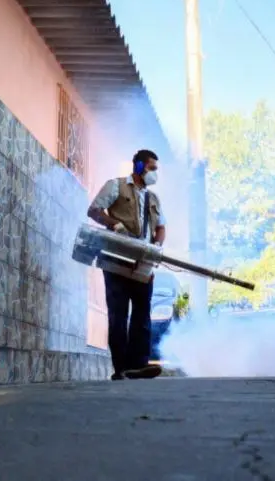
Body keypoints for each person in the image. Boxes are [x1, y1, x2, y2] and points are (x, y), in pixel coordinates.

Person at [87, 149, 166, 380]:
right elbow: (93, 210)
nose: (154, 174)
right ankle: (120, 368)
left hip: (143, 262)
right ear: (139, 167)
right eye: (151, 168)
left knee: (142, 313)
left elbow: (160, 227)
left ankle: (138, 365)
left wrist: (157, 248)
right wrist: (113, 224)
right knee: (118, 314)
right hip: (116, 259)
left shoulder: (154, 199)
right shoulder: (116, 186)